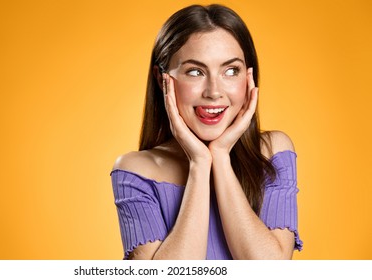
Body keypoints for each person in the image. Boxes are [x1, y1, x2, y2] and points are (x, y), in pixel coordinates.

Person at [111, 4, 303, 260]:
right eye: (195, 71)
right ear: (162, 79)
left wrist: (221, 156)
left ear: (249, 77)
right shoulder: (135, 170)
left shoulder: (273, 151)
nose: (214, 91)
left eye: (231, 70)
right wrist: (199, 163)